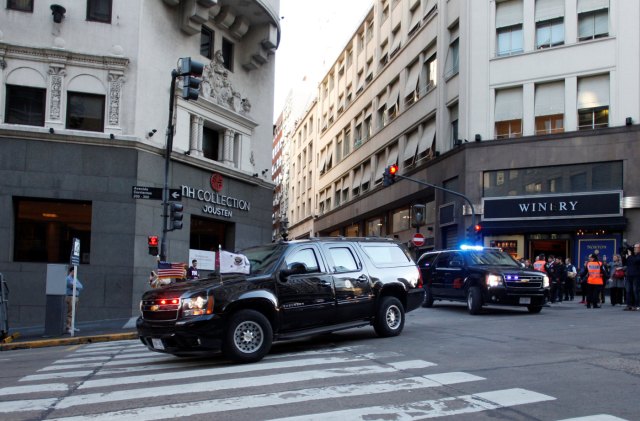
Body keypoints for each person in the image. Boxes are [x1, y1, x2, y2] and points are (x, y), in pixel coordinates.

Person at [66, 266, 84, 333]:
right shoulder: (68, 279)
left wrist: (75, 285)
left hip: (76, 297)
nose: (75, 273)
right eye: (75, 271)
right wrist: (76, 285)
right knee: (70, 313)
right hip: (70, 296)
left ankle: (72, 326)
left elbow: (81, 286)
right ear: (72, 271)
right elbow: (72, 285)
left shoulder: (75, 279)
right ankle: (68, 327)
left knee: (73, 313)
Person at [623, 243, 640, 311]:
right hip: (629, 275)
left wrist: (629, 256)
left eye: (636, 247)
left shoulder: (637, 256)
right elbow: (625, 262)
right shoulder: (632, 255)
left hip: (636, 275)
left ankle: (636, 305)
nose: (634, 248)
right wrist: (624, 256)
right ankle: (629, 305)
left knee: (635, 290)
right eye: (634, 247)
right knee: (628, 290)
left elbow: (636, 260)